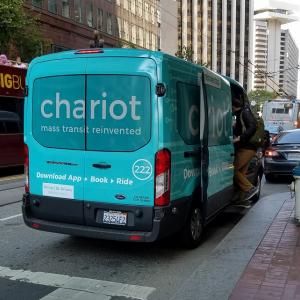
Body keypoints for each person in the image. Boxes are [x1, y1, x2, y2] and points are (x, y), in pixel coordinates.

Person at [232, 95, 257, 207]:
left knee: (233, 170)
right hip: (247, 148)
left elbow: (253, 126)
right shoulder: (240, 113)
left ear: (233, 106)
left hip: (247, 148)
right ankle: (241, 200)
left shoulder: (244, 112)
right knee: (241, 173)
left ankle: (250, 189)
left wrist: (240, 138)